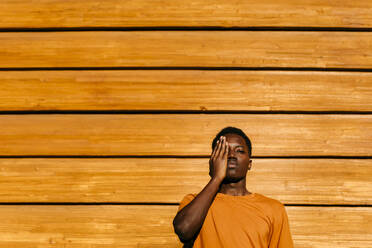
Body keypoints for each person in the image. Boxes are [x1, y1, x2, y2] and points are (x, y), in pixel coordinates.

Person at [173, 126, 294, 248]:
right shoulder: (194, 202)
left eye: (239, 151)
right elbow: (184, 229)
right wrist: (216, 178)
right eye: (224, 150)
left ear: (249, 164)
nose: (231, 155)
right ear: (214, 160)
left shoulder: (273, 209)